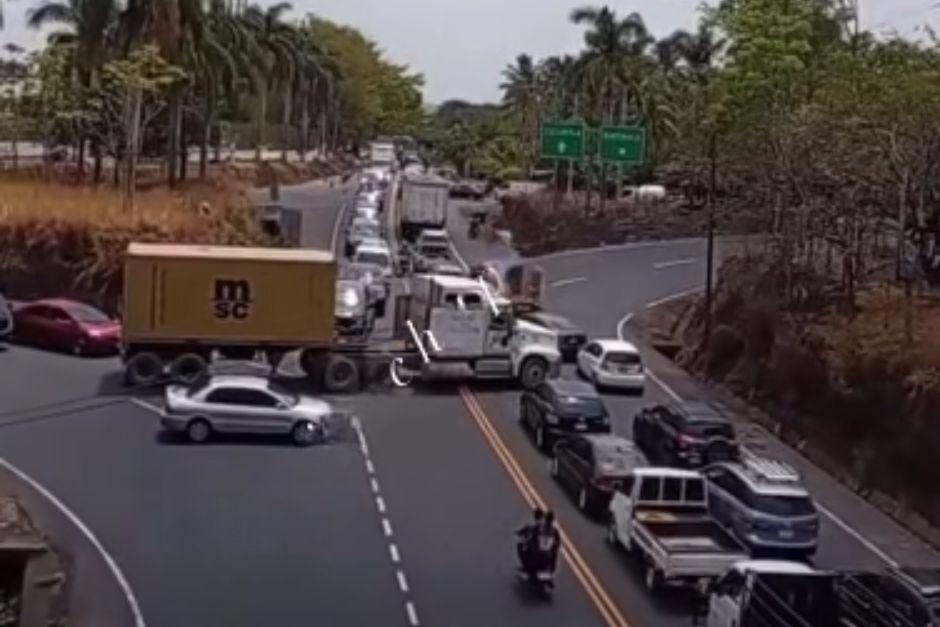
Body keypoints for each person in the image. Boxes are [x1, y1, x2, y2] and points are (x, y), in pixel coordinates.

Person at [515, 508, 544, 575]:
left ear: (535, 516)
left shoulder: (531, 525)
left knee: (521, 545)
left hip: (535, 546)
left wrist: (518, 533)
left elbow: (522, 531)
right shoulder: (545, 525)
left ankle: (525, 567)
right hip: (544, 547)